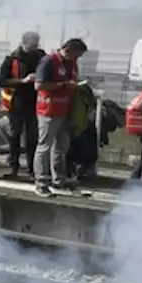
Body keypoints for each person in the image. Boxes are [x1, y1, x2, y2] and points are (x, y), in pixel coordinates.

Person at [33, 37, 88, 197]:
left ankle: (59, 180)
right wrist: (63, 85)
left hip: (65, 110)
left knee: (60, 148)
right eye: (77, 55)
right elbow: (39, 85)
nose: (77, 59)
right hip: (48, 110)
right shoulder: (48, 61)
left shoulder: (71, 63)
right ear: (68, 50)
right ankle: (41, 182)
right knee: (44, 147)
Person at [0, 32, 44, 180]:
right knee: (15, 136)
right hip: (17, 102)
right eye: (32, 44)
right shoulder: (12, 59)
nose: (35, 47)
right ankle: (14, 167)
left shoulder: (41, 57)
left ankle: (32, 170)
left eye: (37, 44)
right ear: (23, 42)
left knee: (33, 138)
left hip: (35, 102)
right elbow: (2, 81)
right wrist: (22, 81)